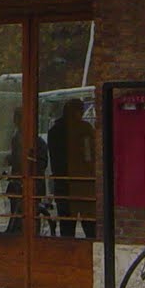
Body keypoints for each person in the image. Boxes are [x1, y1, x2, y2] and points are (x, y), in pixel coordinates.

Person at [45, 97, 96, 238]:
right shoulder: (84, 129)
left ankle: (67, 252)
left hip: (62, 183)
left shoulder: (54, 131)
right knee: (90, 224)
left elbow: (54, 158)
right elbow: (89, 156)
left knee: (66, 225)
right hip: (83, 184)